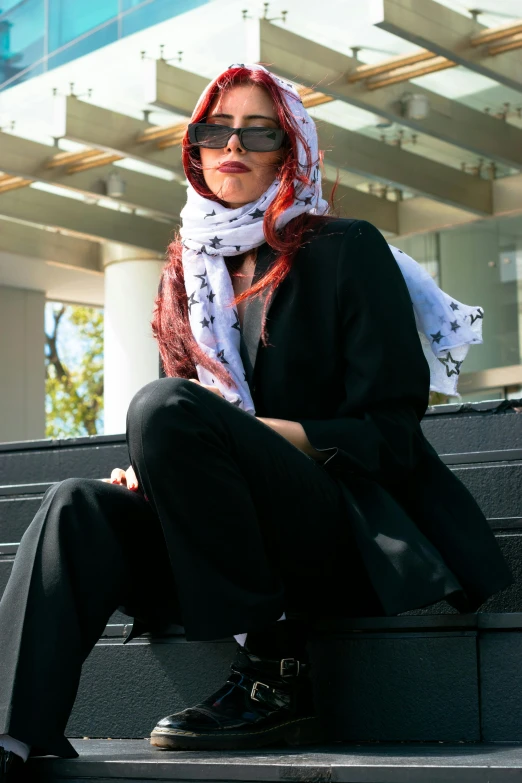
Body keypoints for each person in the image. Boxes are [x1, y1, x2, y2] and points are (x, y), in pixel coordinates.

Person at [0, 63, 513, 776]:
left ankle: (276, 668)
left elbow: (391, 437)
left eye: (258, 130)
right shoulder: (187, 271)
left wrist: (241, 437)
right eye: (216, 129)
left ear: (291, 147)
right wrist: (158, 460)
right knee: (74, 504)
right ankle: (13, 737)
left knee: (165, 409)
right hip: (222, 535)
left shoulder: (345, 250)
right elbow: (184, 420)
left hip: (335, 523)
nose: (232, 144)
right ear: (196, 150)